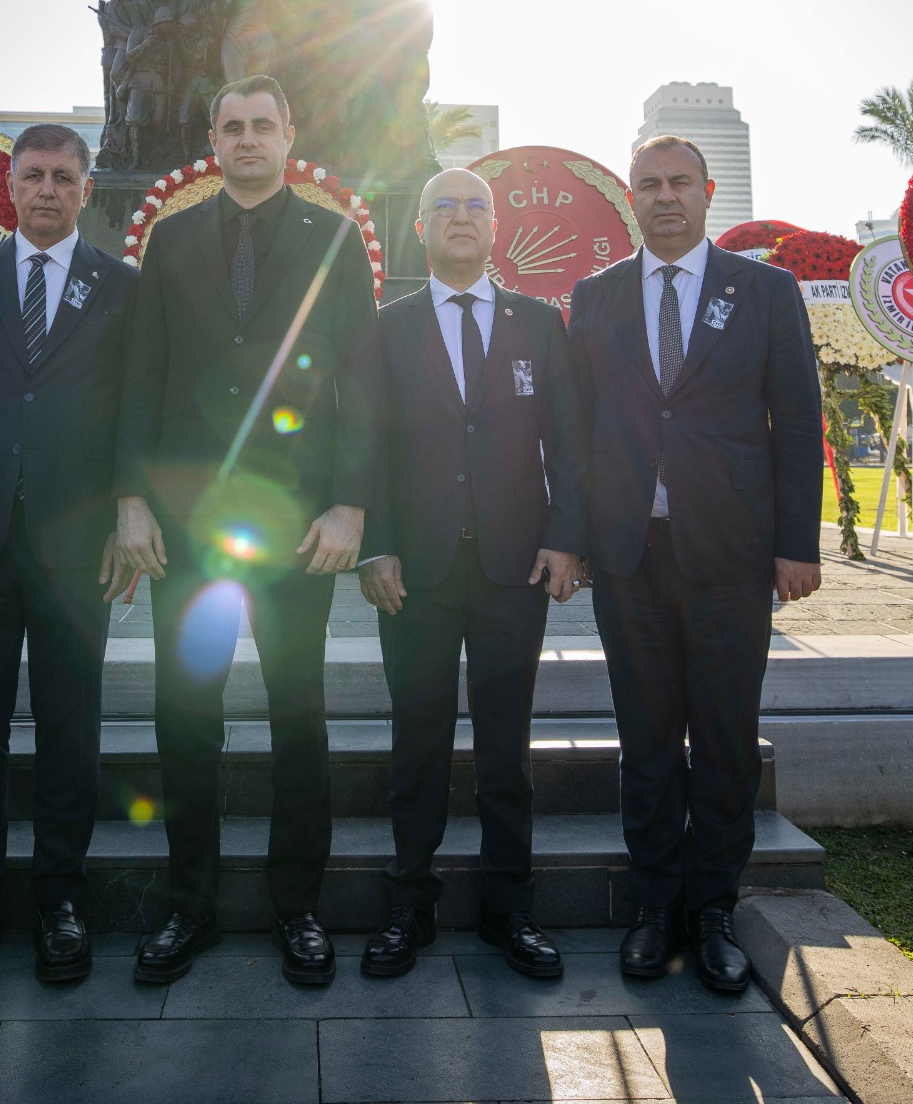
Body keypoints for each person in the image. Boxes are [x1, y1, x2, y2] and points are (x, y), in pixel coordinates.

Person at [109, 76, 380, 987]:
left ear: (289, 134)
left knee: (297, 714)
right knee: (186, 715)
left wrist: (350, 503)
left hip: (297, 525)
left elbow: (362, 381)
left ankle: (296, 905)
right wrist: (130, 498)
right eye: (232, 126)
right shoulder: (173, 238)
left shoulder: (334, 238)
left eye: (264, 124)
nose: (249, 138)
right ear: (214, 140)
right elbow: (140, 376)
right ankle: (189, 903)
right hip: (185, 525)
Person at [566, 135, 823, 995]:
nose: (666, 196)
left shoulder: (765, 289)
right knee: (645, 734)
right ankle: (655, 907)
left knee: (721, 735)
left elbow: (798, 415)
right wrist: (572, 532)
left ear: (708, 192)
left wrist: (798, 543)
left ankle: (713, 909)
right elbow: (575, 429)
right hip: (631, 554)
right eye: (650, 184)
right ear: (630, 197)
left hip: (732, 554)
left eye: (680, 183)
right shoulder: (595, 296)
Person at [0, 125, 136, 990]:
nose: (48, 189)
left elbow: (134, 413)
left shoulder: (122, 287)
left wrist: (127, 516)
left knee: (70, 727)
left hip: (79, 545)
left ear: (86, 189)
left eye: (64, 177)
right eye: (34, 175)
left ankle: (60, 899)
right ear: (9, 186)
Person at [351, 166, 586, 982]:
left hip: (512, 567)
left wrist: (566, 538)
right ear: (419, 227)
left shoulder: (539, 323)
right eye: (442, 206)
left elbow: (571, 442)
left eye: (474, 206)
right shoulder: (384, 326)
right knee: (416, 742)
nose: (459, 216)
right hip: (411, 572)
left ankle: (509, 911)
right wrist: (374, 544)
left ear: (495, 228)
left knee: (503, 748)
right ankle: (406, 906)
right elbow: (364, 444)